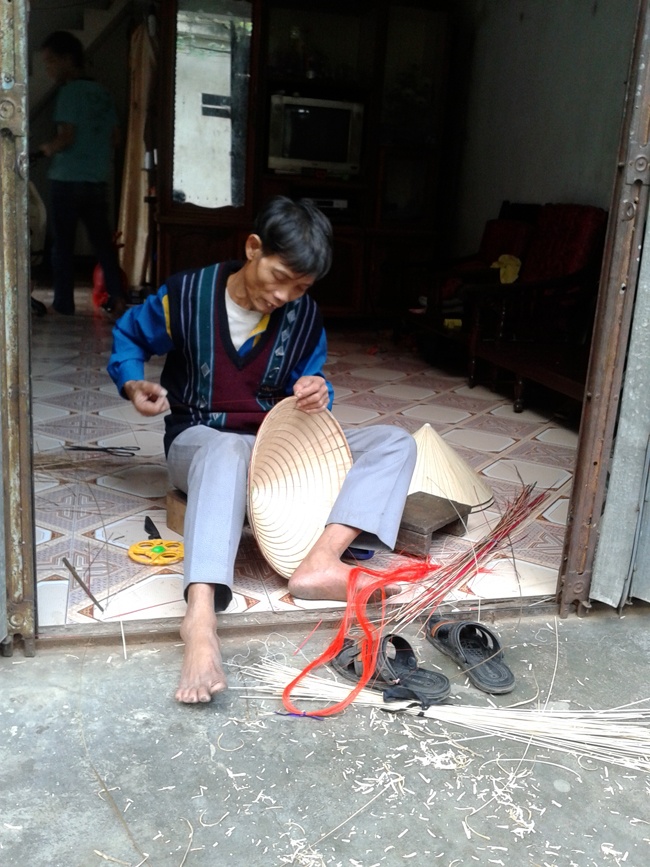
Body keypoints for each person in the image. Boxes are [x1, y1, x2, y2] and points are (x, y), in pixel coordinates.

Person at [107, 196, 417, 704]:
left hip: (279, 451)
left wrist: (317, 389)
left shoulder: (304, 316)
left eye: (300, 287)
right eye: (280, 277)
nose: (284, 295)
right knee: (228, 449)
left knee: (394, 442)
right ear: (253, 248)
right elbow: (129, 335)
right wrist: (132, 382)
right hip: (201, 441)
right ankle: (200, 619)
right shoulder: (186, 295)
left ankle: (320, 563)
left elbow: (313, 379)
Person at [39, 30, 125, 316]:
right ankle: (118, 298)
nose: (48, 69)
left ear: (68, 59)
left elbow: (67, 137)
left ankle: (64, 304)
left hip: (66, 180)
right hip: (96, 181)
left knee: (62, 246)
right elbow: (115, 138)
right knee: (102, 245)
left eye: (51, 62)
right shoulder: (102, 93)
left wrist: (46, 149)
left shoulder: (69, 92)